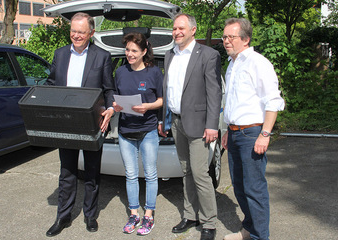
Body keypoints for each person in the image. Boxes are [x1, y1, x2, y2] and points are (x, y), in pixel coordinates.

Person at [45, 12, 115, 237]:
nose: (76, 35)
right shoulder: (60, 54)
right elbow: (51, 83)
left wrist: (111, 108)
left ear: (91, 33)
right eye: (73, 31)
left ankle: (90, 215)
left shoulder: (102, 56)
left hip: (93, 122)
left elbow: (109, 89)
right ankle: (63, 217)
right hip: (66, 123)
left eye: (81, 32)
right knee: (67, 172)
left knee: (92, 172)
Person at [158, 13, 222, 240]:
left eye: (181, 28)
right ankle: (190, 215)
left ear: (193, 30)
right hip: (176, 122)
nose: (177, 32)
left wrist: (212, 125)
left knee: (200, 174)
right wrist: (163, 119)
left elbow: (214, 93)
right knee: (185, 172)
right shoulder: (169, 55)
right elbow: (169, 91)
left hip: (199, 125)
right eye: (174, 28)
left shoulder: (208, 55)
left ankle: (209, 223)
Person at [221, 18, 285, 240]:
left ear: (246, 39)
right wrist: (229, 130)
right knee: (239, 187)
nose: (226, 41)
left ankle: (260, 237)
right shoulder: (232, 64)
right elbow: (234, 102)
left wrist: (264, 134)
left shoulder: (258, 63)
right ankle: (248, 229)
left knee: (254, 190)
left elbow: (273, 101)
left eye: (231, 37)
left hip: (252, 134)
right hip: (235, 132)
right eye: (224, 37)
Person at [113, 32, 163, 236]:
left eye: (134, 51)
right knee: (131, 175)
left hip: (148, 130)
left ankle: (149, 215)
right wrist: (116, 106)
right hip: (126, 130)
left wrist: (148, 106)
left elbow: (161, 100)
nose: (130, 54)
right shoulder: (120, 72)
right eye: (127, 50)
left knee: (150, 175)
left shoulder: (154, 72)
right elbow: (115, 98)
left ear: (144, 52)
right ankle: (134, 214)